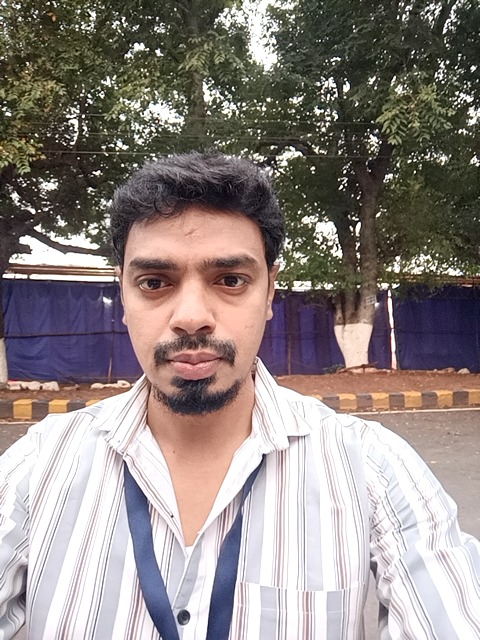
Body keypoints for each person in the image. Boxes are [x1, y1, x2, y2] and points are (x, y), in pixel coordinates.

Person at [0, 151, 479, 640]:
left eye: (230, 280)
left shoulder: (374, 470)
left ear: (269, 293)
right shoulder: (38, 468)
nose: (191, 317)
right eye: (154, 282)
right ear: (122, 294)